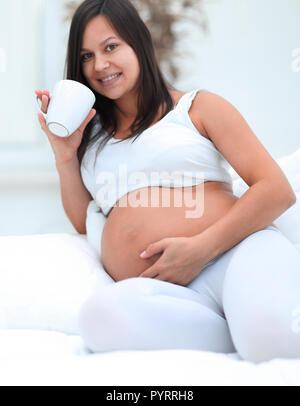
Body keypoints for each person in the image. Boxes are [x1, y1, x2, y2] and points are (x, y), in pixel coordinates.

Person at [35, 0, 300, 363]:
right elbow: (83, 222)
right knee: (100, 319)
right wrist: (65, 155)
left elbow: (277, 190)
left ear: (139, 44)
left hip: (234, 254)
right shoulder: (91, 140)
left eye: (111, 47)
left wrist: (200, 250)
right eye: (86, 56)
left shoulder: (198, 108)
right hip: (166, 287)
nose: (99, 65)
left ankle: (253, 325)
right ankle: (237, 327)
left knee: (271, 340)